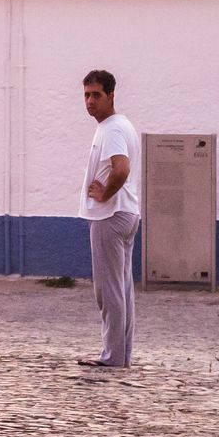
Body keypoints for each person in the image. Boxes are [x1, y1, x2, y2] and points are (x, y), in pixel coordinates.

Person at [77, 69, 142, 369]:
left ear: (112, 95)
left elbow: (122, 168)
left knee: (108, 289)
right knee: (122, 287)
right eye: (87, 95)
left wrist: (104, 195)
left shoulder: (113, 129)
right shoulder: (117, 125)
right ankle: (121, 353)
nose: (90, 101)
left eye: (96, 95)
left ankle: (112, 355)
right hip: (125, 213)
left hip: (111, 216)